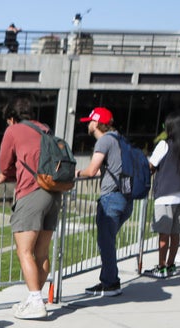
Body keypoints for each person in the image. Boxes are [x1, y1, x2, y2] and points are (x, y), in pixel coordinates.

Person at [0, 96, 64, 319]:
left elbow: (5, 164)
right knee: (41, 252)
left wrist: (5, 176)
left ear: (11, 118)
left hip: (31, 193)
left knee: (24, 251)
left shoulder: (13, 131)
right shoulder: (45, 129)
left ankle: (35, 301)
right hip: (53, 192)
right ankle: (35, 299)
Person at [76, 107, 129, 296]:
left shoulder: (105, 141)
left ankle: (111, 283)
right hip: (125, 198)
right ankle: (107, 280)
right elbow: (106, 170)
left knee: (105, 242)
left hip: (111, 199)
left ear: (97, 123)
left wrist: (77, 173)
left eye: (90, 121)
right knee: (107, 241)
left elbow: (91, 170)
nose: (88, 125)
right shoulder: (119, 139)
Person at [146, 112, 180, 278]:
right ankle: (171, 264)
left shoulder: (164, 145)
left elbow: (151, 165)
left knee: (163, 234)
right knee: (175, 234)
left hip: (166, 194)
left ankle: (161, 267)